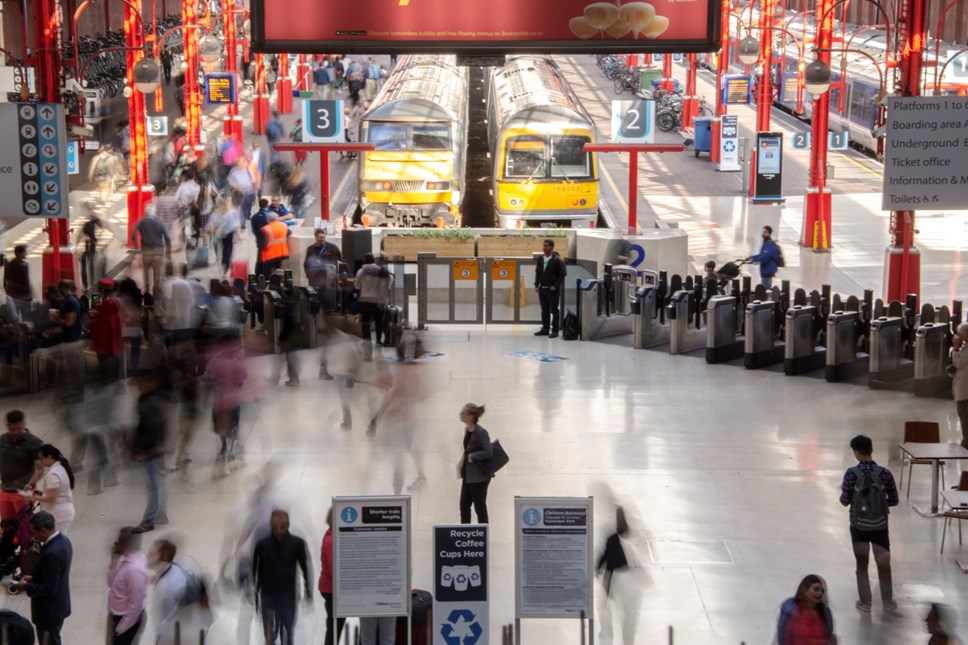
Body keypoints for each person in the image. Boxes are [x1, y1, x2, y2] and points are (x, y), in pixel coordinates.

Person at [839, 434, 899, 613]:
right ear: (871, 450)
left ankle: (865, 603)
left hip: (858, 527)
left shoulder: (851, 474)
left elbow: (844, 501)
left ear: (857, 453)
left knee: (862, 564)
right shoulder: (885, 473)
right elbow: (894, 500)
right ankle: (887, 601)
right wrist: (878, 506)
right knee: (883, 563)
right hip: (880, 526)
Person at [9, 511, 73, 645]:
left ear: (43, 530)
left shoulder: (51, 553)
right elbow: (55, 575)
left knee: (49, 642)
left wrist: (25, 586)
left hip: (48, 612)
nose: (33, 536)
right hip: (58, 605)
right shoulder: (64, 540)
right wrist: (33, 578)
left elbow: (49, 588)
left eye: (34, 532)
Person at [252, 509, 312, 645]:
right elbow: (255, 571)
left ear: (288, 524)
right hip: (268, 595)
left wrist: (308, 590)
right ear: (271, 526)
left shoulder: (298, 544)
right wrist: (255, 596)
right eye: (275, 527)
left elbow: (305, 568)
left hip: (288, 595)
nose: (279, 530)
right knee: (269, 635)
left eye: (282, 527)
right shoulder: (262, 546)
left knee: (288, 635)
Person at [130, 370, 169, 534]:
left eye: (143, 382)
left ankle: (149, 520)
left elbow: (154, 428)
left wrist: (147, 450)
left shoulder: (151, 402)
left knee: (153, 486)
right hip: (150, 450)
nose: (139, 386)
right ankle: (160, 513)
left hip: (150, 451)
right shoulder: (144, 400)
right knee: (156, 484)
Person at [106, 526, 149, 645]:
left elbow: (136, 604)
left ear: (125, 545)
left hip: (126, 620)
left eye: (118, 542)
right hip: (118, 616)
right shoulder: (124, 561)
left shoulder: (134, 570)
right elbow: (110, 582)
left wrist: (121, 628)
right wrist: (113, 561)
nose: (115, 546)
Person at [0, 409, 43, 520]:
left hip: (22, 492)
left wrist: (29, 485)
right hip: (5, 489)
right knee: (7, 524)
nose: (15, 432)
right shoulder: (3, 439)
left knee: (24, 525)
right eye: (12, 429)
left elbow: (40, 469)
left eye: (18, 428)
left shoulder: (34, 443)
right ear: (8, 426)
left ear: (23, 424)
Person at [775, 574, 836, 645]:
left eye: (822, 591)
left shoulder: (825, 614)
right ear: (805, 590)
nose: (820, 593)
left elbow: (828, 636)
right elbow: (782, 638)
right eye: (816, 589)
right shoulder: (789, 611)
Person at [458, 403, 493, 524]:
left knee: (480, 507)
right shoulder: (467, 429)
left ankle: (483, 534)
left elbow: (489, 452)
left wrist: (473, 456)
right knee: (464, 506)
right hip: (468, 475)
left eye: (463, 413)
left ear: (471, 417)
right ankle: (465, 533)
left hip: (479, 477)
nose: (460, 415)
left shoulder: (480, 432)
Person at [30, 444, 75, 533]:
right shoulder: (61, 468)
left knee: (56, 542)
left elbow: (51, 498)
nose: (41, 462)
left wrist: (33, 497)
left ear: (49, 457)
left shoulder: (53, 474)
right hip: (63, 512)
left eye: (42, 459)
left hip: (57, 514)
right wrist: (42, 494)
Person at [131, 205, 172, 295]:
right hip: (158, 251)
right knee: (157, 274)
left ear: (146, 213)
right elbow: (167, 238)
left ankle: (147, 290)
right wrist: (169, 251)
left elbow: (133, 235)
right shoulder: (160, 223)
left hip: (146, 251)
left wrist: (136, 246)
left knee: (146, 271)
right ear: (154, 213)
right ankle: (155, 292)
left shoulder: (141, 222)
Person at [317, 507, 344, 645]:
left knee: (336, 623)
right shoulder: (331, 541)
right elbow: (334, 570)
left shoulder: (333, 535)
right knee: (335, 625)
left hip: (333, 588)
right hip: (331, 589)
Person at [355, 253, 392, 353]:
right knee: (378, 321)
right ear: (374, 261)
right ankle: (379, 340)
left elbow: (357, 286)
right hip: (377, 300)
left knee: (366, 322)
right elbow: (389, 281)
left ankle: (366, 341)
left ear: (364, 261)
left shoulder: (361, 271)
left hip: (364, 300)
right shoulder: (380, 271)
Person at [89, 278, 124, 381]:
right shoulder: (115, 302)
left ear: (102, 290)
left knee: (106, 367)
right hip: (114, 340)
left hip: (104, 341)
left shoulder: (105, 305)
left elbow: (102, 326)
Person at [534, 238, 567, 338]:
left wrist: (555, 285)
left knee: (554, 310)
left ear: (552, 247)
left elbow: (562, 274)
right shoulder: (540, 259)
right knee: (544, 310)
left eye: (546, 246)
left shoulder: (556, 260)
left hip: (552, 290)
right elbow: (538, 272)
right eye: (543, 246)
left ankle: (555, 330)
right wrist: (537, 285)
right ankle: (545, 329)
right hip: (542, 289)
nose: (544, 248)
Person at [304, 228, 342, 312]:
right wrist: (308, 275)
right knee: (316, 294)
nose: (322, 239)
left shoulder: (332, 247)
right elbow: (306, 263)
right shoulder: (311, 249)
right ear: (316, 237)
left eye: (324, 237)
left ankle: (329, 309)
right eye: (320, 238)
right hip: (315, 276)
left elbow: (340, 260)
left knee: (329, 293)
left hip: (329, 275)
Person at [78, 213, 108, 293]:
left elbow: (79, 236)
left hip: (84, 249)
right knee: (91, 266)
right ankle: (91, 284)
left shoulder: (86, 225)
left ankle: (86, 285)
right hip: (90, 249)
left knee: (84, 267)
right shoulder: (94, 226)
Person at [3, 244, 32, 321]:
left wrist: (8, 292)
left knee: (14, 319)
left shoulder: (8, 264)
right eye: (25, 252)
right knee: (26, 319)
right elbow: (26, 282)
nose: (26, 254)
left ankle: (16, 332)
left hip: (12, 295)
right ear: (19, 253)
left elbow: (5, 280)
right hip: (24, 297)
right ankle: (26, 332)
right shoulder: (24, 265)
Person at [951, 322, 968, 449]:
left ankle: (967, 441)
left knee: (964, 416)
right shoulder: (966, 347)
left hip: (964, 390)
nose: (958, 338)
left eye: (960, 335)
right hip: (962, 389)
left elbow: (958, 363)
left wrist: (956, 348)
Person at [261, 212, 292, 278]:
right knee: (278, 271)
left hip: (270, 254)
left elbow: (263, 243)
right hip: (282, 253)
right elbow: (289, 233)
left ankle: (267, 284)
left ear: (268, 219)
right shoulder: (284, 225)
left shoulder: (266, 229)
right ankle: (278, 283)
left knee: (267, 273)